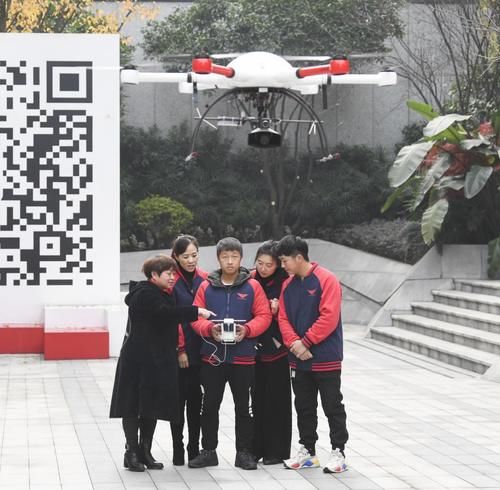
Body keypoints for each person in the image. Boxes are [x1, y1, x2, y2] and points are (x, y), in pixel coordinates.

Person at [110, 255, 214, 472]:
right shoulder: (144, 293)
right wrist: (196, 311)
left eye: (174, 273)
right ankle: (131, 452)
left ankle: (145, 451)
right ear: (154, 275)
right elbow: (165, 314)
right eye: (168, 273)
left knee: (151, 405)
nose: (173, 277)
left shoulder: (161, 293)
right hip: (136, 362)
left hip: (155, 361)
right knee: (132, 406)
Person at [188, 237, 272, 471]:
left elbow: (264, 316)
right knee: (209, 406)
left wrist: (247, 330)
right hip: (213, 358)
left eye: (234, 257)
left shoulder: (252, 286)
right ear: (218, 259)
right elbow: (195, 316)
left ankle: (243, 452)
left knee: (243, 408)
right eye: (225, 257)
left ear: (241, 258)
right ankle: (208, 451)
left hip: (243, 358)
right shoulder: (206, 286)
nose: (230, 261)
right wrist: (209, 329)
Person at [276, 235, 349, 474]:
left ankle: (338, 452)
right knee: (304, 406)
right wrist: (294, 344)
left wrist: (305, 342)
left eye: (285, 260)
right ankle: (308, 451)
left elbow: (329, 316)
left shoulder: (326, 279)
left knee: (332, 406)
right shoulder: (288, 285)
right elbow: (282, 317)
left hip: (326, 357)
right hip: (298, 359)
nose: (283, 266)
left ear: (299, 257)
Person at [251, 240, 292, 465]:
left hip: (278, 351)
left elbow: (292, 314)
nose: (263, 268)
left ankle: (277, 451)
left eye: (269, 265)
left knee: (277, 401)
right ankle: (256, 448)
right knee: (257, 400)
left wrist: (277, 310)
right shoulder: (250, 280)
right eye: (260, 263)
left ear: (277, 265)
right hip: (254, 349)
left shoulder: (285, 283)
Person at [169, 235, 208, 466]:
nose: (191, 260)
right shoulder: (171, 280)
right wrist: (180, 349)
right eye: (185, 256)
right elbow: (173, 317)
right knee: (178, 402)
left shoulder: (204, 278)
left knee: (196, 401)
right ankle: (177, 448)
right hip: (181, 352)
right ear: (176, 256)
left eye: (194, 255)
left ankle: (194, 448)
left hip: (202, 349)